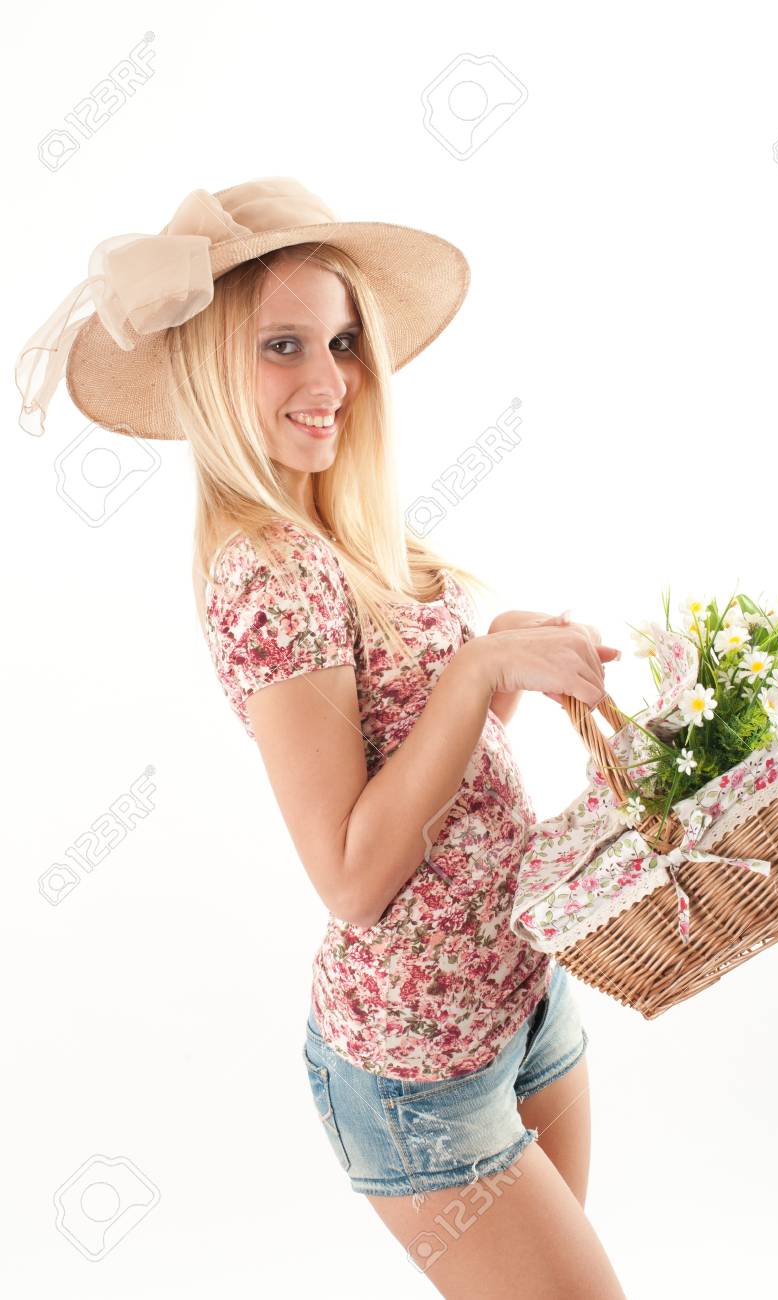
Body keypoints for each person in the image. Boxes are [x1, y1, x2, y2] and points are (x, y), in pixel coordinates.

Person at [16, 177, 629, 1298]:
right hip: (420, 1067)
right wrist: (476, 671)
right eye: (283, 346)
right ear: (209, 369)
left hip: (520, 999)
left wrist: (492, 663)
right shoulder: (266, 568)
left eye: (342, 341)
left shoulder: (337, 525)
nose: (328, 379)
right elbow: (350, 873)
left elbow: (409, 762)